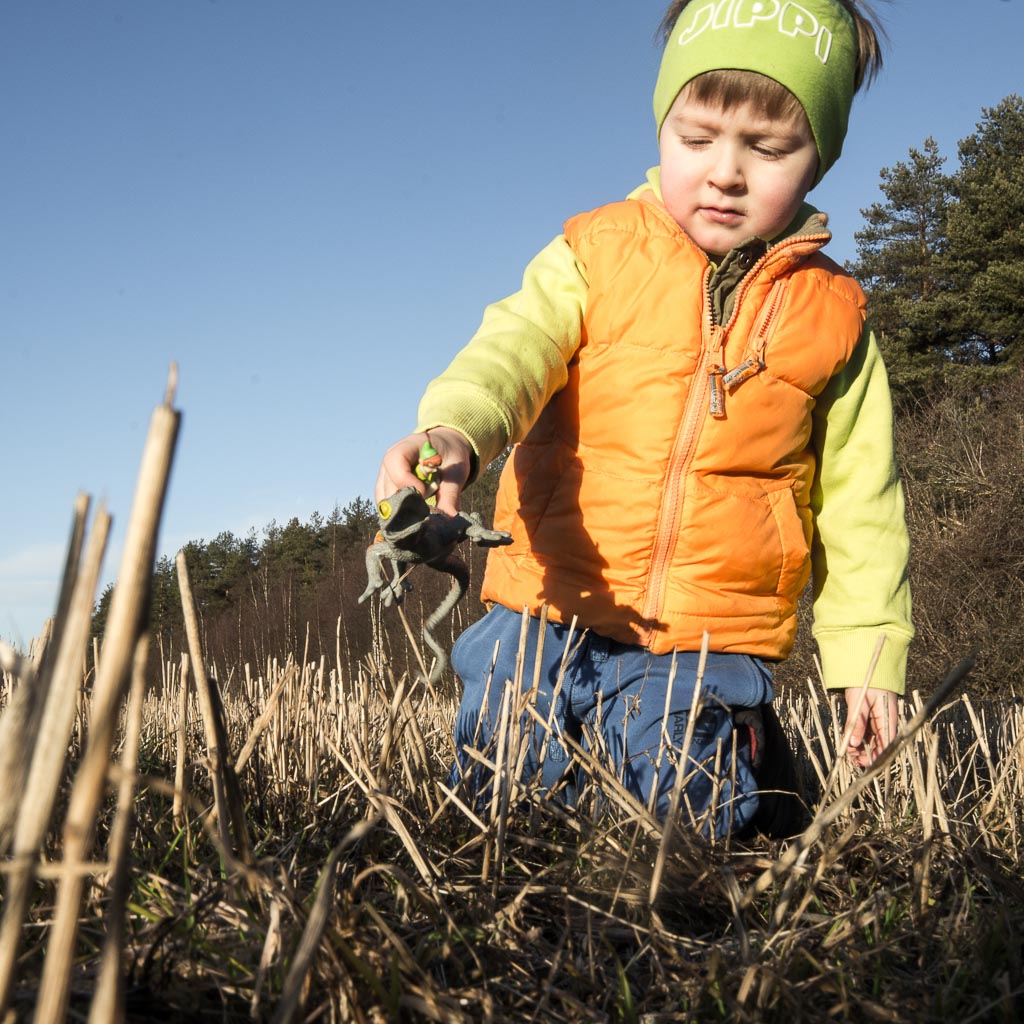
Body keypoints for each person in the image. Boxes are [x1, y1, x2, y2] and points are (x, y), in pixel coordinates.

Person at [373, 0, 913, 838]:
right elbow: (510, 351)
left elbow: (862, 504)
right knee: (496, 803)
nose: (724, 172)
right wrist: (456, 431)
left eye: (767, 148)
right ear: (663, 126)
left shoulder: (835, 316)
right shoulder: (596, 252)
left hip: (706, 634)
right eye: (697, 138)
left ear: (820, 159)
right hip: (547, 597)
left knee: (681, 820)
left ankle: (750, 780)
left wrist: (870, 661)